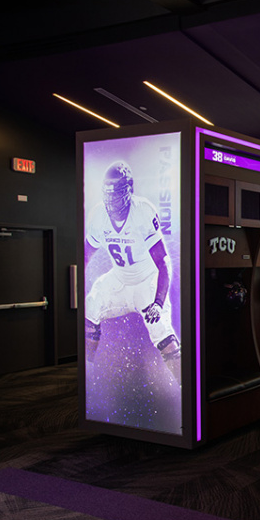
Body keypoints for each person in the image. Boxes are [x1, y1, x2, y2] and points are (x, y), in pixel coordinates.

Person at [84, 161, 181, 383]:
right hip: (119, 278)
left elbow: (163, 263)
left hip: (146, 280)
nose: (111, 200)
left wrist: (157, 301)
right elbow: (86, 254)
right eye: (108, 194)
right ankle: (87, 374)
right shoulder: (98, 214)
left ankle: (184, 384)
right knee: (91, 305)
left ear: (129, 190)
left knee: (162, 332)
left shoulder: (143, 211)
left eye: (116, 194)